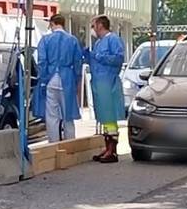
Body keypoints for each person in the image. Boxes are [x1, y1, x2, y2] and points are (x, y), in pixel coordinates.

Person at [34, 14, 84, 143]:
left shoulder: (45, 40)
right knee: (68, 115)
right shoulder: (72, 40)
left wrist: (44, 79)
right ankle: (70, 143)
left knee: (51, 116)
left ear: (52, 23)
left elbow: (42, 61)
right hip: (67, 79)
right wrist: (76, 79)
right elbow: (78, 62)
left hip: (50, 79)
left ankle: (53, 144)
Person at [86, 16, 126, 163]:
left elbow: (118, 58)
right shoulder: (99, 43)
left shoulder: (113, 39)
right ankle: (107, 147)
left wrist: (99, 57)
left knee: (109, 115)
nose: (93, 29)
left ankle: (112, 150)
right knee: (104, 115)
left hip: (108, 81)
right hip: (99, 81)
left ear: (101, 25)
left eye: (94, 25)